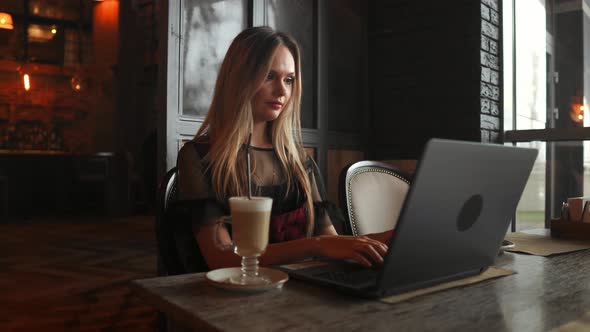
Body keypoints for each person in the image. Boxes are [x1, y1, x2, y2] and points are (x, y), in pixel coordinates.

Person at [176, 26, 391, 272]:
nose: (282, 91)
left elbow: (331, 240)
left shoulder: (299, 161)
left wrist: (384, 239)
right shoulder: (199, 157)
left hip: (304, 294)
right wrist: (316, 246)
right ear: (240, 78)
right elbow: (221, 259)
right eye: (269, 76)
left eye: (289, 79)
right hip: (237, 300)